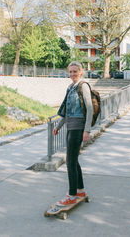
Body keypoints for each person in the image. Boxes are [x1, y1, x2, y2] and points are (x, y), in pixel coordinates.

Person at [53, 61, 93, 206]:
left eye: (75, 71)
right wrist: (58, 126)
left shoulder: (83, 86)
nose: (72, 74)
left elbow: (90, 109)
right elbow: (66, 111)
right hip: (70, 127)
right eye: (70, 72)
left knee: (70, 161)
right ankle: (80, 190)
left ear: (81, 72)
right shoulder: (70, 88)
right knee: (74, 161)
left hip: (78, 128)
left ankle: (71, 195)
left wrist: (87, 130)